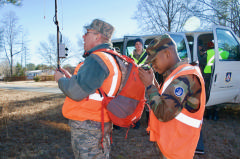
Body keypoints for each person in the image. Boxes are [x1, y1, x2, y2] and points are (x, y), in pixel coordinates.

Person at [54, 19, 121, 159]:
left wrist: (60, 80)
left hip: (89, 129)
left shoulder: (98, 59)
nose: (83, 36)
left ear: (97, 36)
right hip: (98, 125)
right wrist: (70, 79)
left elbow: (76, 92)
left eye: (87, 33)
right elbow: (92, 88)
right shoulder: (110, 57)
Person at [138, 34, 206, 159]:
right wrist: (153, 82)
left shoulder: (185, 77)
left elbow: (164, 112)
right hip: (172, 145)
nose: (153, 65)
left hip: (177, 151)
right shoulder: (176, 75)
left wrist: (149, 86)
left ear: (167, 53)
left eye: (154, 60)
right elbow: (165, 100)